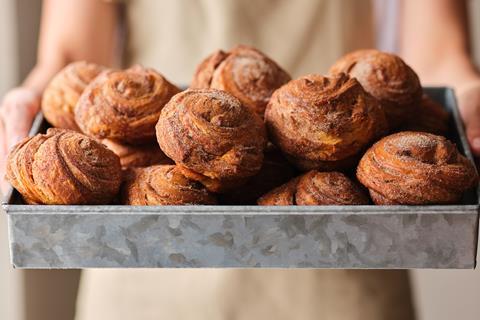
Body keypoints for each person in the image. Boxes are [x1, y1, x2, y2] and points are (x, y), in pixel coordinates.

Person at [0, 0, 478, 319]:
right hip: (146, 252)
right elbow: (70, 54)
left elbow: (437, 52)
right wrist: (33, 97)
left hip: (340, 257)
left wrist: (470, 96)